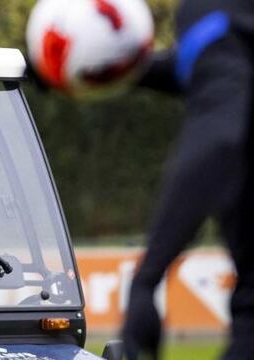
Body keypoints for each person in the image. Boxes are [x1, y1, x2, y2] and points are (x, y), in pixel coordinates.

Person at [123, 1, 254, 359]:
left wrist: (147, 278)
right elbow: (221, 73)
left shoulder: (213, 9)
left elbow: (220, 131)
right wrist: (122, 67)